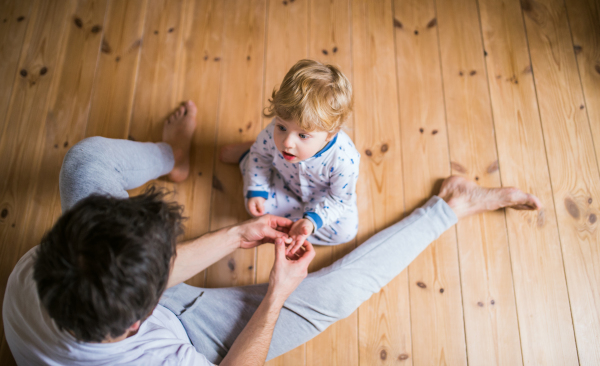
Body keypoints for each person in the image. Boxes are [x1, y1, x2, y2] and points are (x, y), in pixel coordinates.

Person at [2, 101, 542, 366]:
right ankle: (452, 206)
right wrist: (279, 294)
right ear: (143, 316)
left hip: (111, 302)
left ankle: (174, 157)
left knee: (85, 161)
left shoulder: (40, 267)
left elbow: (140, 267)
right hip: (186, 340)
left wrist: (241, 234)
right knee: (333, 297)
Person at [221, 59, 361, 255]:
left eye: (303, 135)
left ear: (330, 134)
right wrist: (257, 190)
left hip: (323, 201)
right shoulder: (272, 134)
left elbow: (339, 200)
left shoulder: (344, 160)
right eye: (282, 127)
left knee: (346, 232)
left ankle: (300, 223)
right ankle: (246, 154)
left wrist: (311, 222)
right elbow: (260, 158)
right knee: (255, 208)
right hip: (285, 184)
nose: (287, 142)